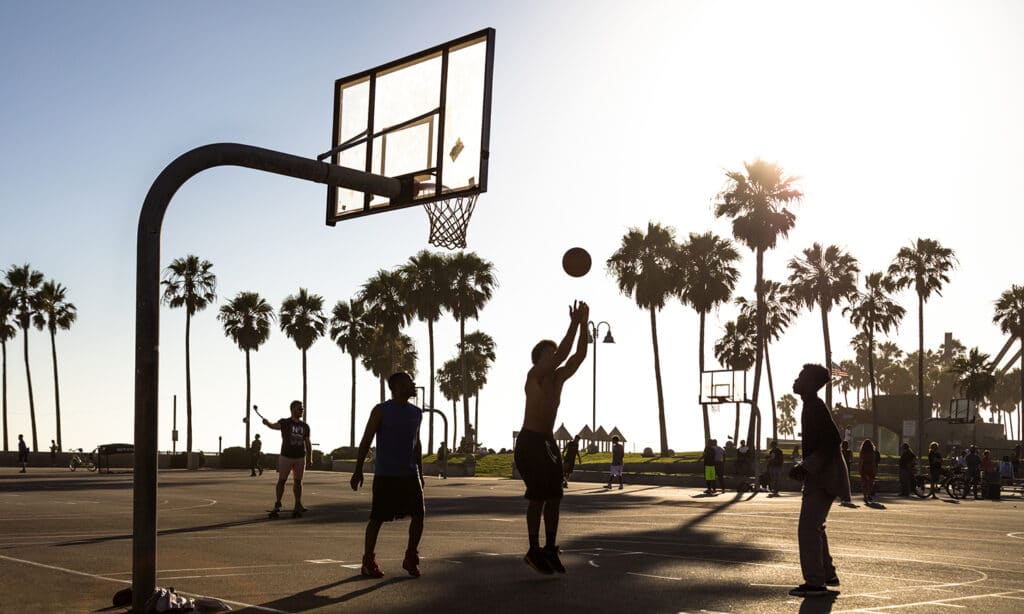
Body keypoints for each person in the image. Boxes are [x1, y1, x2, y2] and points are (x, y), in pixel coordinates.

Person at [515, 300, 589, 575]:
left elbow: (578, 355)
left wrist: (583, 326)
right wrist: (573, 322)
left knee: (555, 496)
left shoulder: (557, 380)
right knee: (538, 498)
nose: (555, 356)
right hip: (530, 442)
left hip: (548, 443)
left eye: (554, 354)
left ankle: (549, 548)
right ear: (539, 360)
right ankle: (533, 549)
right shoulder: (533, 377)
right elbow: (564, 354)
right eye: (550, 354)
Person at [351, 372, 425, 578]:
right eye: (409, 382)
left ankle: (411, 557)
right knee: (377, 518)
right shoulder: (381, 411)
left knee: (419, 516)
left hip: (410, 474)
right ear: (398, 386)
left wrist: (420, 472)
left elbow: (416, 444)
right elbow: (366, 440)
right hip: (386, 475)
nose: (413, 384)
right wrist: (358, 470)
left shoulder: (416, 413)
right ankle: (368, 560)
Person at [789, 364, 849, 598]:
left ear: (811, 384)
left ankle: (815, 582)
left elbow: (832, 440)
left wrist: (807, 466)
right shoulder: (811, 406)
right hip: (822, 475)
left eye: (801, 377)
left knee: (808, 529)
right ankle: (826, 573)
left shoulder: (814, 407)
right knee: (816, 527)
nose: (796, 380)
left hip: (824, 477)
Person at [262, 400, 312, 514]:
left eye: (302, 409)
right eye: (299, 408)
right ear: (293, 409)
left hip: (300, 457)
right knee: (282, 481)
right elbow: (274, 426)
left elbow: (308, 442)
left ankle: (298, 503)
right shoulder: (285, 422)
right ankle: (278, 502)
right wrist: (267, 423)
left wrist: (309, 457)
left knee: (298, 481)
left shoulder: (305, 426)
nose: (302, 410)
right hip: (286, 456)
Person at [859, 439, 877, 503]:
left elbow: (861, 461)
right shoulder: (872, 452)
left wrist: (860, 469)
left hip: (864, 466)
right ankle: (868, 494)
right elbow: (873, 462)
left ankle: (865, 496)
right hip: (870, 467)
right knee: (870, 482)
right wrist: (874, 469)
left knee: (864, 482)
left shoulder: (862, 452)